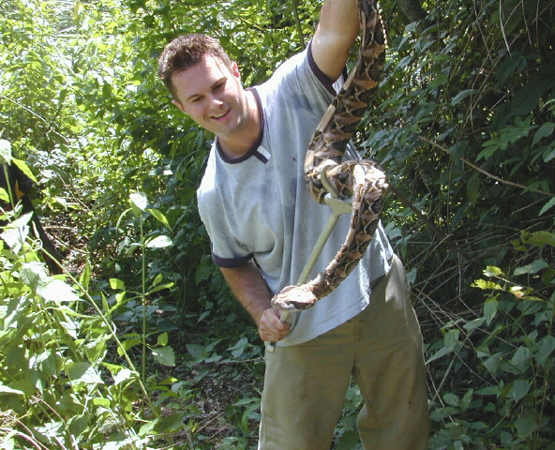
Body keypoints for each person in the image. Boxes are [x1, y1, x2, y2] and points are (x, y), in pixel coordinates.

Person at [158, 0, 429, 447]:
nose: (215, 102)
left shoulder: (295, 88)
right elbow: (235, 263)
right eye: (197, 98)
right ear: (181, 107)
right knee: (292, 442)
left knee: (404, 429)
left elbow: (335, 33)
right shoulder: (214, 193)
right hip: (303, 324)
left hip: (379, 290)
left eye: (218, 85)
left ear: (235, 70)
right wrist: (263, 311)